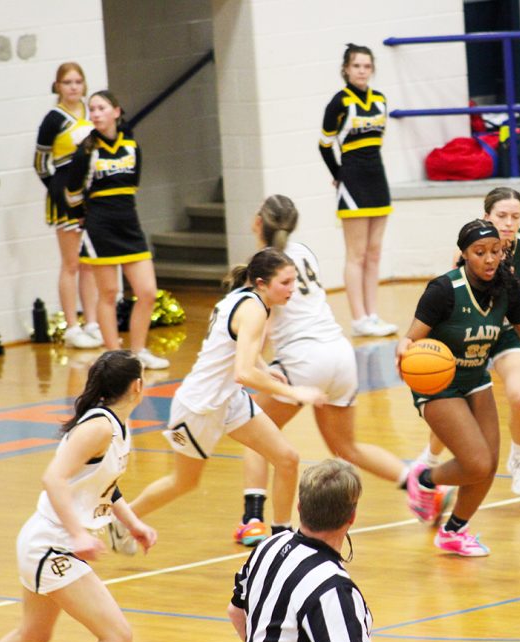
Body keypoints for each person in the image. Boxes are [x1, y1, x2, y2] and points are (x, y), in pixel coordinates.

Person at [110, 248, 325, 554]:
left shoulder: (246, 298)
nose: (292, 289)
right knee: (183, 482)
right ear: (262, 283)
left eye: (294, 281)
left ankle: (281, 538)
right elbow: (243, 372)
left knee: (287, 459)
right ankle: (123, 521)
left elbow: (230, 348)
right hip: (200, 406)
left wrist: (266, 370)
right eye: (286, 282)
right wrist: (294, 393)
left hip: (229, 400)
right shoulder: (253, 310)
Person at [232, 195, 419, 546]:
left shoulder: (259, 267)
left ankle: (253, 520)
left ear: (258, 222)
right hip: (340, 353)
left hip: (303, 357)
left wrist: (260, 365)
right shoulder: (304, 253)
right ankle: (419, 486)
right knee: (346, 447)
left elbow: (259, 324)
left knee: (254, 431)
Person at [0, 350, 156, 642]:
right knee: (117, 636)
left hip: (46, 543)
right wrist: (78, 534)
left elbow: (104, 486)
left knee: (35, 633)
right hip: (51, 544)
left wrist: (134, 523)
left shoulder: (116, 424)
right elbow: (52, 478)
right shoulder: (99, 428)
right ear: (138, 386)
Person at [396, 220, 520, 557]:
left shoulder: (509, 286)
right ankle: (424, 479)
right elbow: (411, 337)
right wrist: (403, 348)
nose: (489, 259)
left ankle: (454, 531)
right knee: (474, 462)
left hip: (475, 379)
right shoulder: (443, 289)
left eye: (495, 252)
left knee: (489, 464)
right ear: (464, 255)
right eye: (480, 252)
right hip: (438, 383)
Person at [417, 188, 520, 496]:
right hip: (470, 335)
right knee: (455, 401)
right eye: (501, 216)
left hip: (506, 333)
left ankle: (519, 459)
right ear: (486, 216)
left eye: (515, 216)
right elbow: (450, 298)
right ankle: (430, 457)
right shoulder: (468, 252)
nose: (508, 222)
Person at [229, 460, 398, 642]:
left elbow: (236, 612)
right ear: (352, 517)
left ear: (299, 506)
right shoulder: (332, 587)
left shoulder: (269, 547)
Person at [64, 90, 168, 370]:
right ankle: (115, 358)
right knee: (108, 293)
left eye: (101, 108)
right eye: (92, 109)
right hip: (100, 226)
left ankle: (139, 351)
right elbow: (72, 191)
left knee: (147, 291)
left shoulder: (131, 143)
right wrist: (82, 218)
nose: (96, 114)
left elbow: (133, 182)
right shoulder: (86, 149)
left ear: (116, 112)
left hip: (129, 223)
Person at [319, 43, 398, 338]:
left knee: (374, 253)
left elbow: (376, 142)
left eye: (367, 66)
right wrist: (338, 175)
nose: (362, 71)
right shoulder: (338, 102)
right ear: (346, 69)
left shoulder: (380, 99)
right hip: (352, 181)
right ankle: (358, 318)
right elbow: (325, 144)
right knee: (356, 254)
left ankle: (373, 314)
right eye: (356, 66)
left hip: (378, 178)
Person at [34, 62, 101, 350]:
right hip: (64, 195)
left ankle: (93, 322)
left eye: (77, 81)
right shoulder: (53, 119)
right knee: (71, 263)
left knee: (90, 263)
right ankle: (72, 326)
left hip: (91, 193)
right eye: (67, 82)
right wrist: (57, 190)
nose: (73, 87)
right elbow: (40, 163)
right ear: (57, 86)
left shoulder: (94, 113)